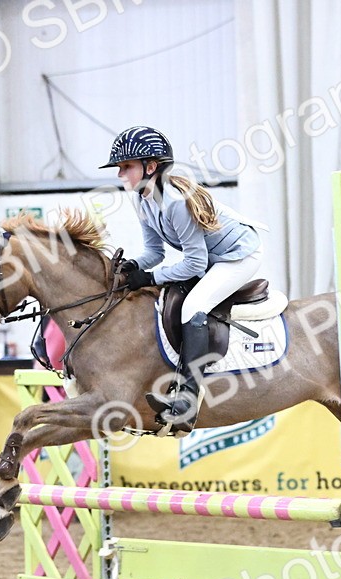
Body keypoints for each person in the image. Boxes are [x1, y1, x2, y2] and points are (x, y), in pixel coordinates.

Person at [102, 125, 262, 431]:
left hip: (239, 255)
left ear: (151, 167)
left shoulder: (175, 201)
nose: (120, 174)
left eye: (126, 167)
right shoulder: (142, 199)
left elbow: (195, 262)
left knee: (193, 307)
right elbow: (154, 252)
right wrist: (133, 267)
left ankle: (187, 399)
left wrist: (149, 277)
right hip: (212, 257)